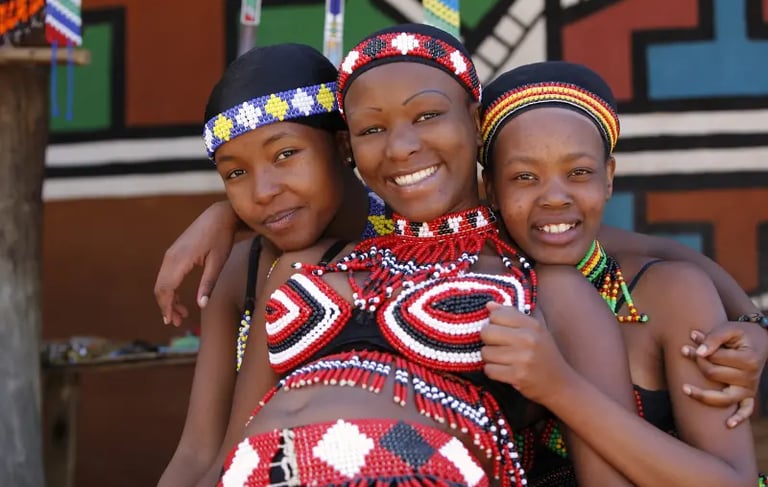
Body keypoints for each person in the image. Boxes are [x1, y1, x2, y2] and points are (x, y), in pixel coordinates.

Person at [204, 23, 640, 487]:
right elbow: (228, 453)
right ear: (348, 148)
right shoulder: (301, 268)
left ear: (475, 123)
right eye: (372, 128)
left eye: (428, 115)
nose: (401, 147)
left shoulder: (548, 288)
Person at [480, 60, 759, 486]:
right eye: (524, 176)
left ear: (608, 178)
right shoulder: (461, 298)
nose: (555, 197)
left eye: (579, 173)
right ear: (492, 191)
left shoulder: (669, 295)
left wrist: (558, 388)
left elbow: (732, 481)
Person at [157, 43, 395, 487]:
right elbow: (198, 451)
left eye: (285, 154)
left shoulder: (411, 239)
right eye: (235, 173)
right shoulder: (240, 273)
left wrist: (223, 214)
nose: (263, 191)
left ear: (342, 145)